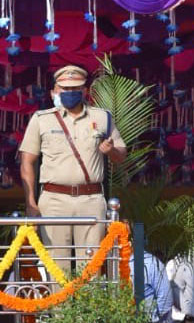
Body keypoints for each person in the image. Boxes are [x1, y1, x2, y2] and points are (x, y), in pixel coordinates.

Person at [19, 65, 126, 274]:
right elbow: (27, 161)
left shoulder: (102, 117)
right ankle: (59, 308)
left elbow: (121, 154)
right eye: (65, 89)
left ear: (84, 91)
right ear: (55, 90)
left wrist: (111, 151)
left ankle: (90, 308)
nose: (70, 93)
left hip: (91, 198)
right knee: (57, 268)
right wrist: (30, 202)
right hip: (54, 199)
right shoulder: (42, 119)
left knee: (92, 265)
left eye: (75, 88)